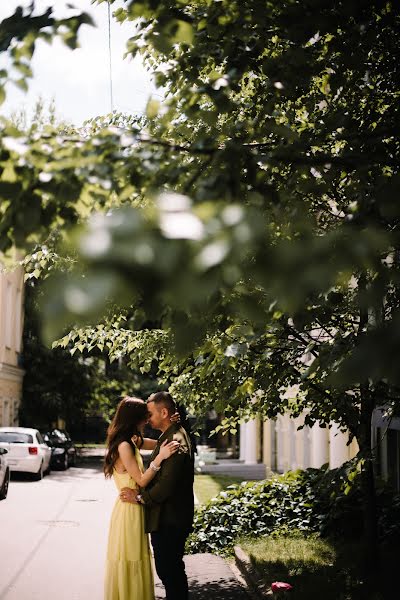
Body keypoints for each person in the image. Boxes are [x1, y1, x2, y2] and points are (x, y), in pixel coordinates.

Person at [103, 396, 180, 600]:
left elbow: (159, 443)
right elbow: (142, 480)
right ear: (134, 418)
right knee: (131, 558)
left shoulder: (133, 440)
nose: (148, 420)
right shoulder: (124, 446)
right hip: (128, 511)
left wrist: (174, 427)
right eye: (144, 416)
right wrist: (160, 457)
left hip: (134, 508)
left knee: (137, 557)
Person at [120, 391, 194, 600]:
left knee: (170, 572)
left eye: (150, 414)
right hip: (168, 517)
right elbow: (145, 443)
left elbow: (165, 486)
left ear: (163, 412)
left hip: (170, 518)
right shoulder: (170, 434)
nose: (147, 418)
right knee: (170, 571)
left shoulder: (175, 441)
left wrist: (140, 498)